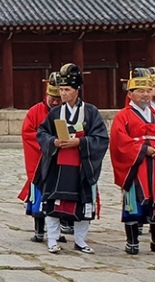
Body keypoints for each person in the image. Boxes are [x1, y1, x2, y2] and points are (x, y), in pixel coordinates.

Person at [35, 63, 109, 254]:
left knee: (83, 204)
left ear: (77, 90)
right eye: (61, 89)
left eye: (67, 89)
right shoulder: (55, 112)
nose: (63, 94)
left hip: (81, 165)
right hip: (59, 165)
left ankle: (80, 241)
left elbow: (101, 138)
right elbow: (42, 132)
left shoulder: (91, 112)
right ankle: (52, 240)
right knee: (54, 202)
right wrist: (54, 142)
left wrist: (80, 143)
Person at [110, 68, 155, 254]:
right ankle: (132, 241)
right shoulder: (123, 116)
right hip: (136, 166)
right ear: (130, 93)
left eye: (148, 90)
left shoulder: (154, 112)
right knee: (134, 202)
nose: (145, 95)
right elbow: (119, 141)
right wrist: (144, 149)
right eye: (140, 91)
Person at [20, 73, 63, 243]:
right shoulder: (35, 111)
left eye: (59, 98)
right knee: (38, 196)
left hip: (60, 159)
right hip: (41, 160)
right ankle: (39, 231)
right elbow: (28, 133)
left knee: (57, 197)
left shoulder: (66, 112)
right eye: (52, 98)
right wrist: (49, 143)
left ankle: (57, 232)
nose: (55, 102)